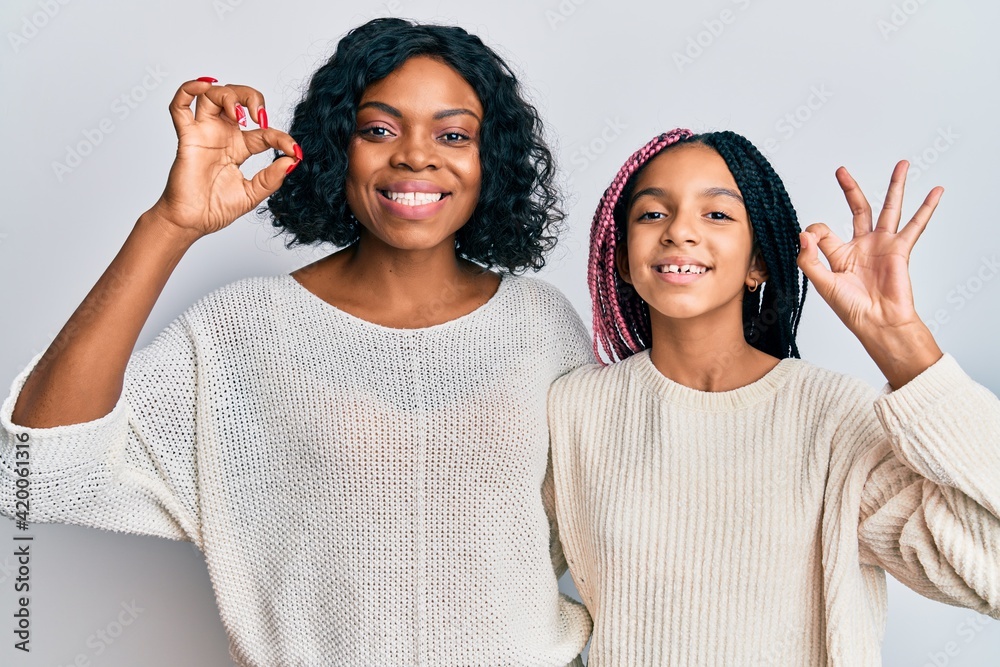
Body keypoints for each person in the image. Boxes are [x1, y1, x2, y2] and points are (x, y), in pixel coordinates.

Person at [0, 18, 592, 667]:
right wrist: (170, 224)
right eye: (379, 129)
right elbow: (34, 472)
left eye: (453, 134)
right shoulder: (244, 328)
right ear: (339, 148)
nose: (416, 155)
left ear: (491, 160)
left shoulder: (542, 325)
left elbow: (605, 537)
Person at [548, 129, 1000, 665]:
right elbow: (499, 586)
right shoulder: (574, 410)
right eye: (651, 214)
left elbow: (987, 573)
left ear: (758, 262)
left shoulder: (836, 420)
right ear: (622, 258)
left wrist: (900, 340)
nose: (679, 232)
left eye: (716, 215)